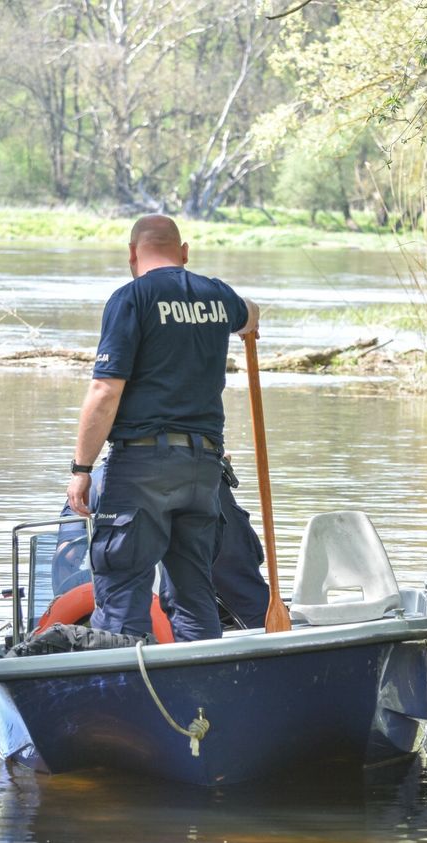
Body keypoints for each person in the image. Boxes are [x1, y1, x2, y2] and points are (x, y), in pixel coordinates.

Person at [66, 214, 259, 641]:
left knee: (122, 589)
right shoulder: (217, 295)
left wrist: (81, 469)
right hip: (203, 469)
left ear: (132, 254)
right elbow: (250, 315)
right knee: (194, 593)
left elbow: (104, 390)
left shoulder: (131, 299)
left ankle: (124, 696)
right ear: (184, 251)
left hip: (142, 467)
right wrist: (246, 323)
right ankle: (202, 693)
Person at [55, 456, 270, 629]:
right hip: (200, 479)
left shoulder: (86, 487)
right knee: (240, 592)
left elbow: (67, 556)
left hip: (121, 614)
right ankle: (269, 641)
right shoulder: (203, 467)